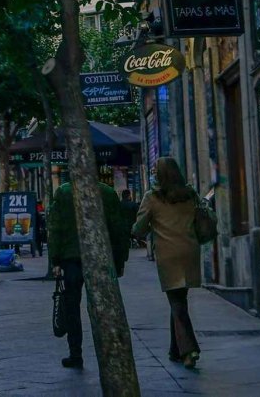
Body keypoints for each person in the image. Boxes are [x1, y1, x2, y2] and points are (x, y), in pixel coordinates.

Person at [50, 176, 133, 371]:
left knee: (72, 308)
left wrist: (55, 260)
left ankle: (75, 353)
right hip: (101, 258)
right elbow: (118, 229)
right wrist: (120, 260)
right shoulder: (107, 193)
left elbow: (55, 228)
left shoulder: (63, 193)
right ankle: (110, 354)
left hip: (71, 259)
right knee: (104, 307)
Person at [133, 157, 205, 370]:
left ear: (160, 174)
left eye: (155, 170)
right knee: (179, 298)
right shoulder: (190, 194)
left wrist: (139, 233)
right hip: (190, 250)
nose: (153, 172)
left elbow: (139, 227)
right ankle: (175, 349)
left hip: (168, 254)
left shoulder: (152, 197)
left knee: (176, 302)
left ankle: (189, 349)